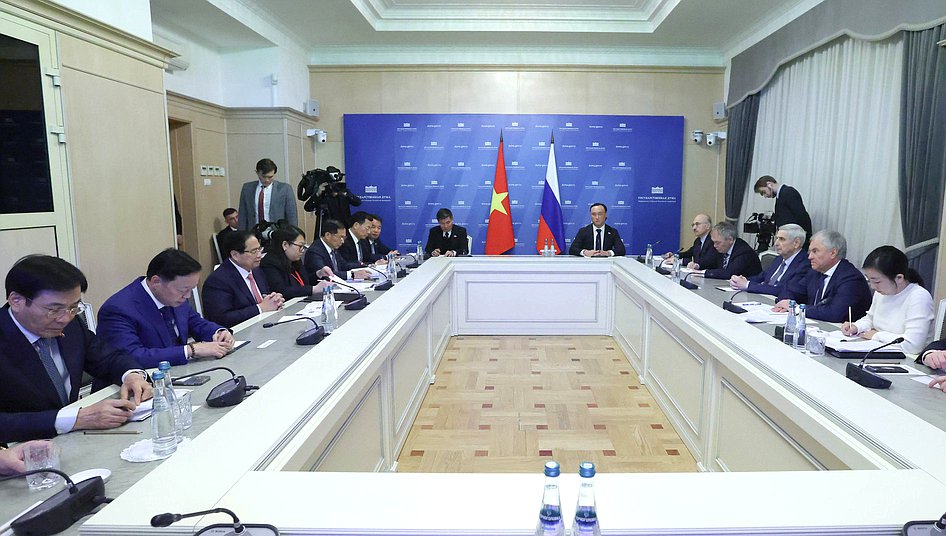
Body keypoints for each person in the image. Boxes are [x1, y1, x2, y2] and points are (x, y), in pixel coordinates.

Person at [0, 255, 151, 443]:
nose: (65, 318)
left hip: (74, 442)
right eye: (54, 309)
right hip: (19, 452)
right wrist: (76, 419)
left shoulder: (70, 325)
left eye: (73, 308)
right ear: (16, 300)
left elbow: (108, 357)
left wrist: (132, 375)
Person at [97, 249, 235, 368]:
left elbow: (195, 322)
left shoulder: (175, 297)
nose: (187, 296)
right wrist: (191, 350)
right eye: (184, 290)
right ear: (156, 281)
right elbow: (132, 356)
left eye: (191, 290)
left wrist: (218, 332)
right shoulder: (118, 309)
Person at [837, 246, 933, 355]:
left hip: (908, 359)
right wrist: (856, 327)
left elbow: (912, 346)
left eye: (877, 282)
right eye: (869, 280)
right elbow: (870, 319)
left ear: (899, 278)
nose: (873, 287)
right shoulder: (882, 292)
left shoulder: (919, 297)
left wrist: (876, 335)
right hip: (879, 351)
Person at [775, 230, 871, 322]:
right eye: (809, 252)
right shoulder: (815, 272)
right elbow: (790, 291)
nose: (809, 257)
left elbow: (834, 313)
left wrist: (795, 308)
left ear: (833, 253)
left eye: (815, 251)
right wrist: (785, 303)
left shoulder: (851, 278)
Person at [203, 231, 285, 328]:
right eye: (254, 251)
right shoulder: (218, 281)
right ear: (235, 255)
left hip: (264, 325)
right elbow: (222, 318)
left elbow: (264, 297)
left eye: (260, 249)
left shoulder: (256, 270)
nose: (259, 255)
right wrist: (260, 308)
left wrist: (274, 300)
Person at [729, 224, 810, 298]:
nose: (776, 243)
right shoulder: (779, 259)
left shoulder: (805, 264)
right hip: (763, 298)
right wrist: (740, 280)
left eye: (782, 239)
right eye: (776, 238)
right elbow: (760, 277)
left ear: (796, 243)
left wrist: (747, 285)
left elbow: (784, 290)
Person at [261, 225, 333, 299]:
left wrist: (318, 274)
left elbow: (304, 282)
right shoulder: (270, 263)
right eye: (300, 246)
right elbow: (281, 291)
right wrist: (313, 289)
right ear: (285, 245)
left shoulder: (295, 260)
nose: (303, 250)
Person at [303, 219, 373, 282]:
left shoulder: (332, 248)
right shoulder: (315, 251)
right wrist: (352, 275)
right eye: (341, 237)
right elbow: (326, 274)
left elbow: (344, 265)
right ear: (328, 235)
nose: (342, 241)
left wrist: (366, 266)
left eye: (344, 237)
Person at [238, 158, 297, 230]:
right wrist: (241, 236)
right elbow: (242, 215)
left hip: (277, 232)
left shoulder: (285, 189)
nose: (267, 180)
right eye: (263, 176)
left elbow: (292, 215)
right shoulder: (247, 188)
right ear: (257, 173)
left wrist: (293, 235)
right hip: (254, 232)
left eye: (270, 177)